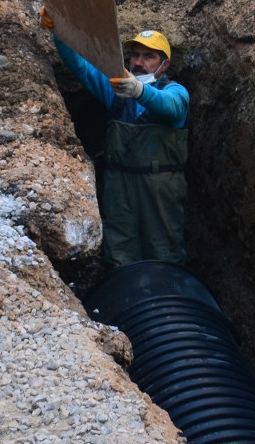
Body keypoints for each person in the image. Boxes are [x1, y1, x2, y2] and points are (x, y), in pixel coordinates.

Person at [52, 28, 190, 268]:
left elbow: (172, 107)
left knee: (164, 251)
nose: (138, 62)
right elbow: (82, 67)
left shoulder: (174, 91)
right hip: (119, 185)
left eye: (149, 57)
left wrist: (140, 91)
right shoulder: (117, 91)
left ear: (164, 65)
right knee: (119, 252)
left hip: (160, 188)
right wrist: (59, 31)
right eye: (135, 55)